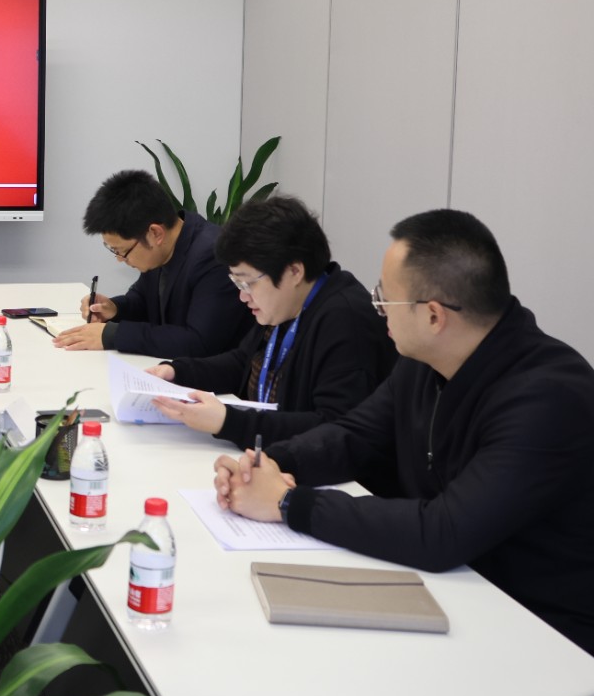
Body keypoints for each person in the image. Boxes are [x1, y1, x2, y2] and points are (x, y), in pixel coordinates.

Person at [216, 210, 594, 654]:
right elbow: (354, 435)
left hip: (542, 634)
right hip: (450, 594)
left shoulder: (548, 397)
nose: (377, 310)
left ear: (434, 316)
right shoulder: (423, 363)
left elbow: (443, 532)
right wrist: (270, 463)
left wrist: (286, 502)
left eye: (385, 299)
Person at [148, 194, 396, 451]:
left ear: (294, 271)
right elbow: (243, 362)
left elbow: (335, 429)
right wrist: (177, 372)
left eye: (247, 283)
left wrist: (228, 422)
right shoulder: (287, 304)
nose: (243, 296)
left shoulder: (346, 321)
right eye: (237, 283)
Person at [53, 169, 251, 356]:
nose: (120, 259)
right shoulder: (164, 249)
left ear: (155, 233)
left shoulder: (215, 255)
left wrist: (113, 335)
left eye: (122, 251)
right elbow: (142, 301)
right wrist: (114, 309)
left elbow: (199, 342)